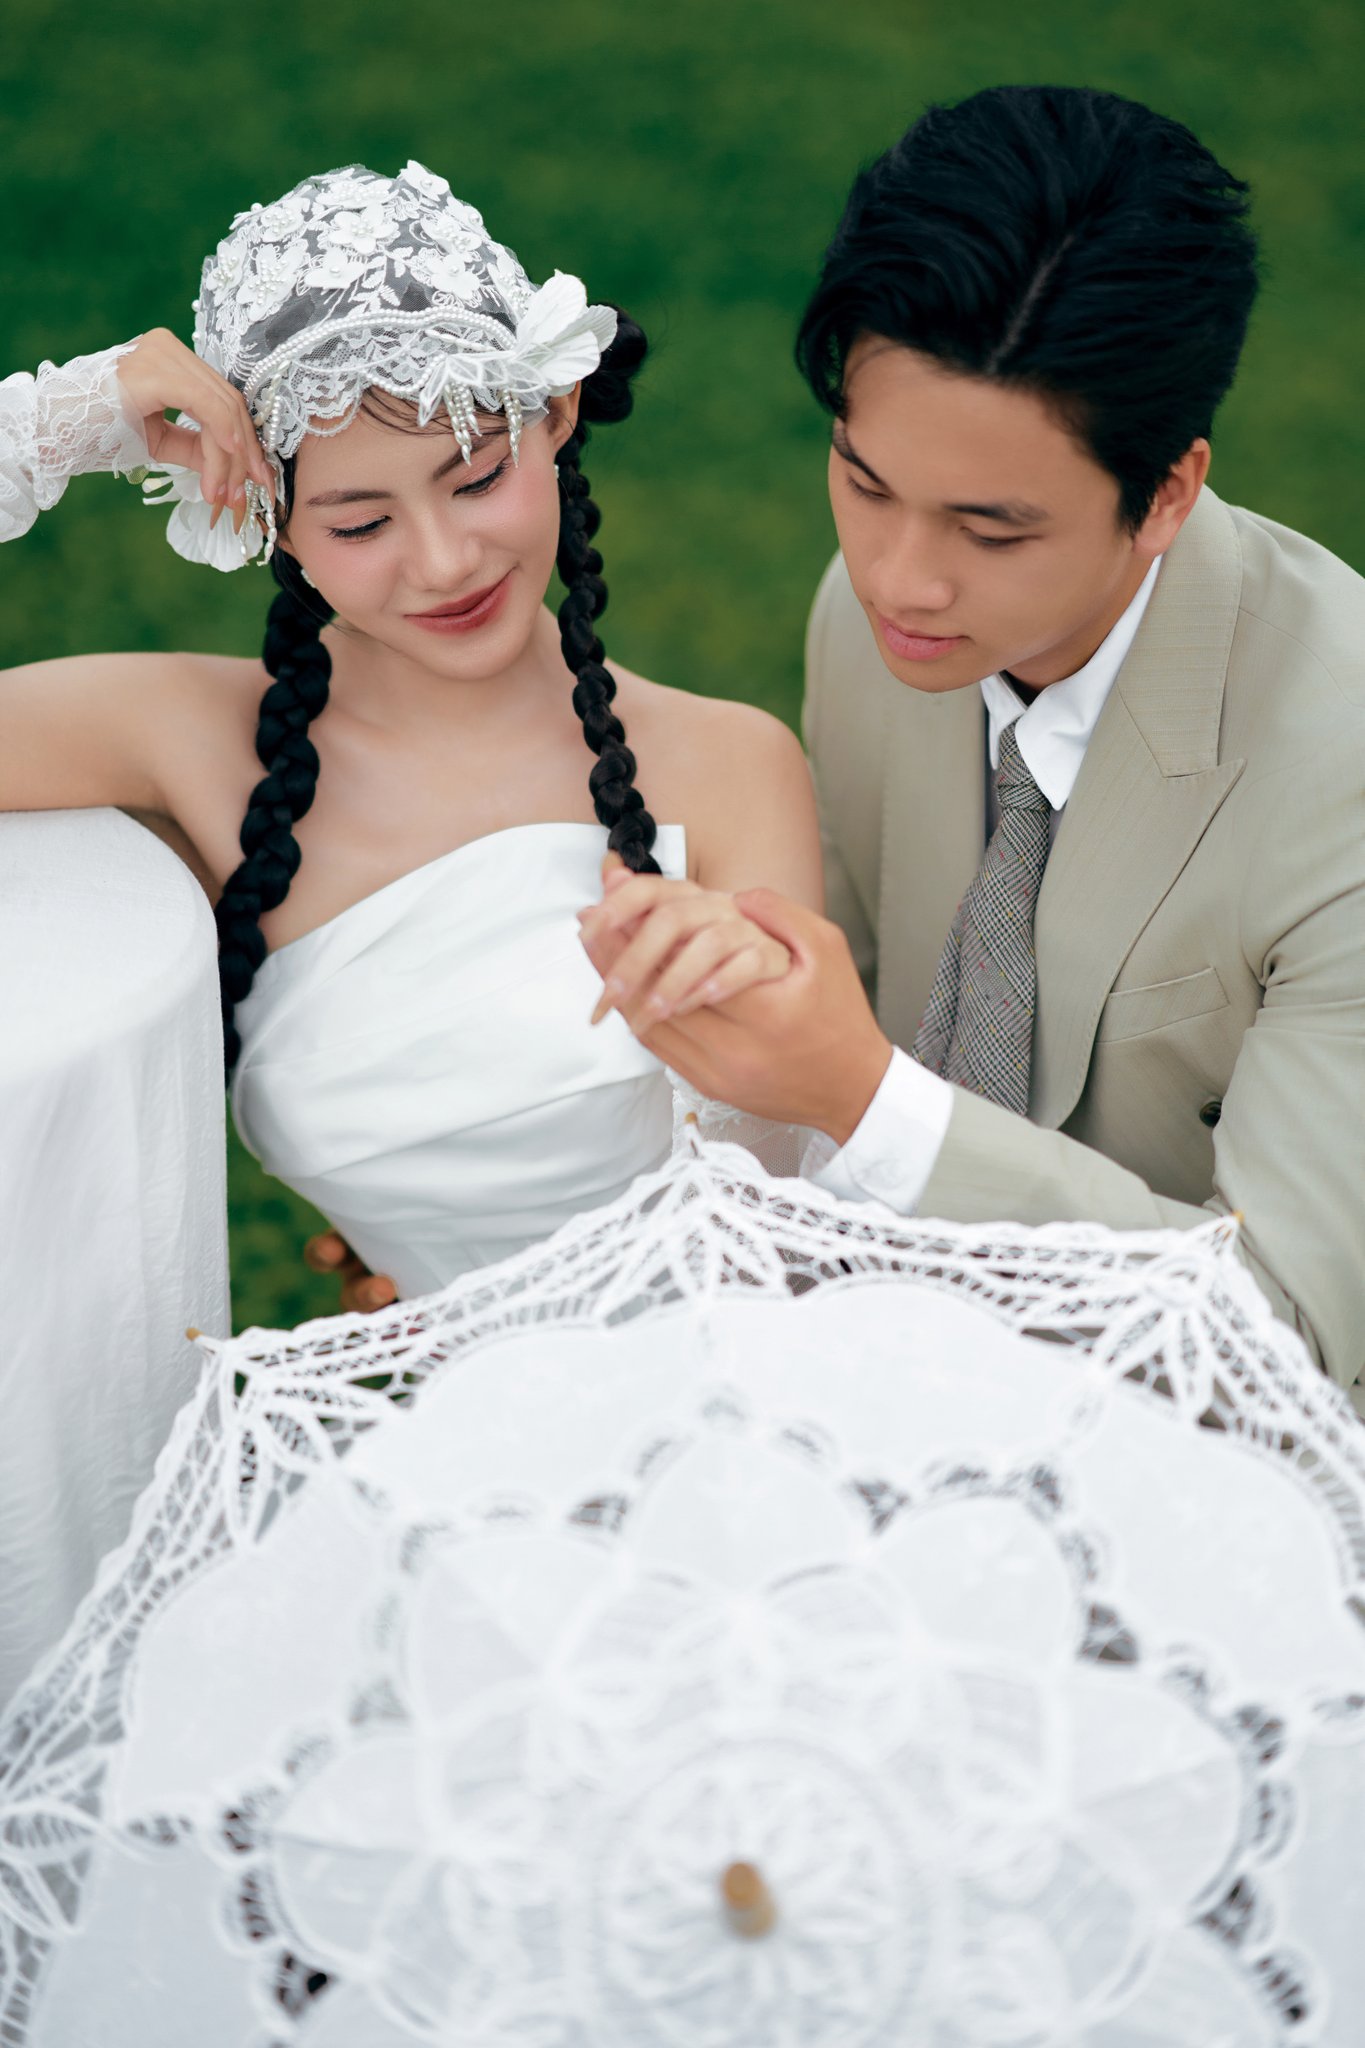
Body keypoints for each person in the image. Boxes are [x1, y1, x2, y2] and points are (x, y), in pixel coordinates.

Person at [579, 86, 1365, 1407]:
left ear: (1167, 492)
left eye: (991, 530)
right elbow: (848, 982)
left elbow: (1284, 1338)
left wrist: (864, 1098)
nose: (899, 578)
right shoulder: (874, 629)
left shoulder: (1341, 770)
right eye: (862, 480)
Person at [0, 160, 819, 1302]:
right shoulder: (193, 739)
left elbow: (785, 1222)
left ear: (556, 413)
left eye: (476, 480)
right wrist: (55, 426)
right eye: (360, 522)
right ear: (265, 519)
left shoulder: (730, 764)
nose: (442, 563)